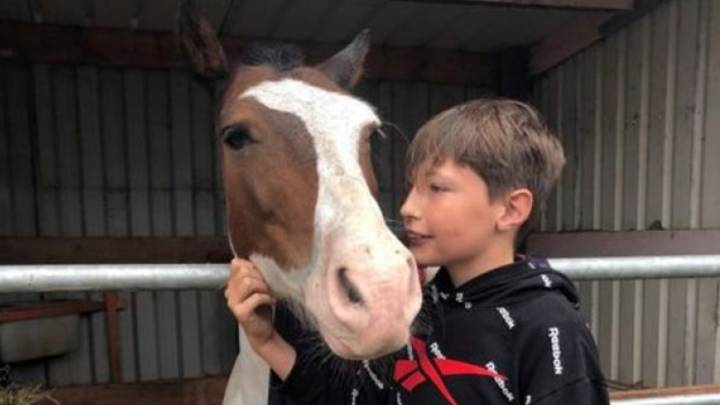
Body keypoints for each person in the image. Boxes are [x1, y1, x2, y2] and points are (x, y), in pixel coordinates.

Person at [225, 98, 610, 404]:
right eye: (411, 188)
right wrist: (266, 342)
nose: (408, 207)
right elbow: (355, 399)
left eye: (436, 188)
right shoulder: (420, 308)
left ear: (511, 209)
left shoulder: (551, 331)